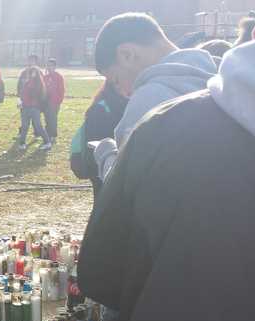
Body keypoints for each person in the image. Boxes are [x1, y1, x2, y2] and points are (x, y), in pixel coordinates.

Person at [78, 19, 255, 321]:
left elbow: (101, 271)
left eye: (115, 78)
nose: (120, 89)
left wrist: (108, 154)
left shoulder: (161, 118)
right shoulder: (197, 84)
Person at [91, 13, 218, 181]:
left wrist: (106, 154)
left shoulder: (148, 102)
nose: (125, 93)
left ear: (127, 54)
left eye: (116, 81)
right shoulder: (223, 78)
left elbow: (123, 187)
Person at [73, 81, 127, 197]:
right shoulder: (100, 109)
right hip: (101, 168)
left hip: (120, 168)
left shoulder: (130, 104)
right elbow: (92, 145)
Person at [16, 65, 50, 151]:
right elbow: (22, 93)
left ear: (37, 73)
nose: (31, 74)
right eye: (30, 72)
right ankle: (22, 143)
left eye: (33, 72)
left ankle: (47, 142)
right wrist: (20, 101)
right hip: (25, 108)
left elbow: (37, 95)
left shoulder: (38, 84)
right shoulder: (27, 83)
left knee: (38, 126)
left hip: (34, 108)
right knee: (24, 126)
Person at [43, 57, 66, 146]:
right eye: (47, 65)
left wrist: (58, 101)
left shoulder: (58, 77)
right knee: (47, 118)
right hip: (45, 102)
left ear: (54, 66)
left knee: (52, 119)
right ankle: (47, 134)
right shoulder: (45, 77)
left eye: (50, 65)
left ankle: (53, 135)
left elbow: (62, 90)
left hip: (54, 102)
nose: (49, 67)